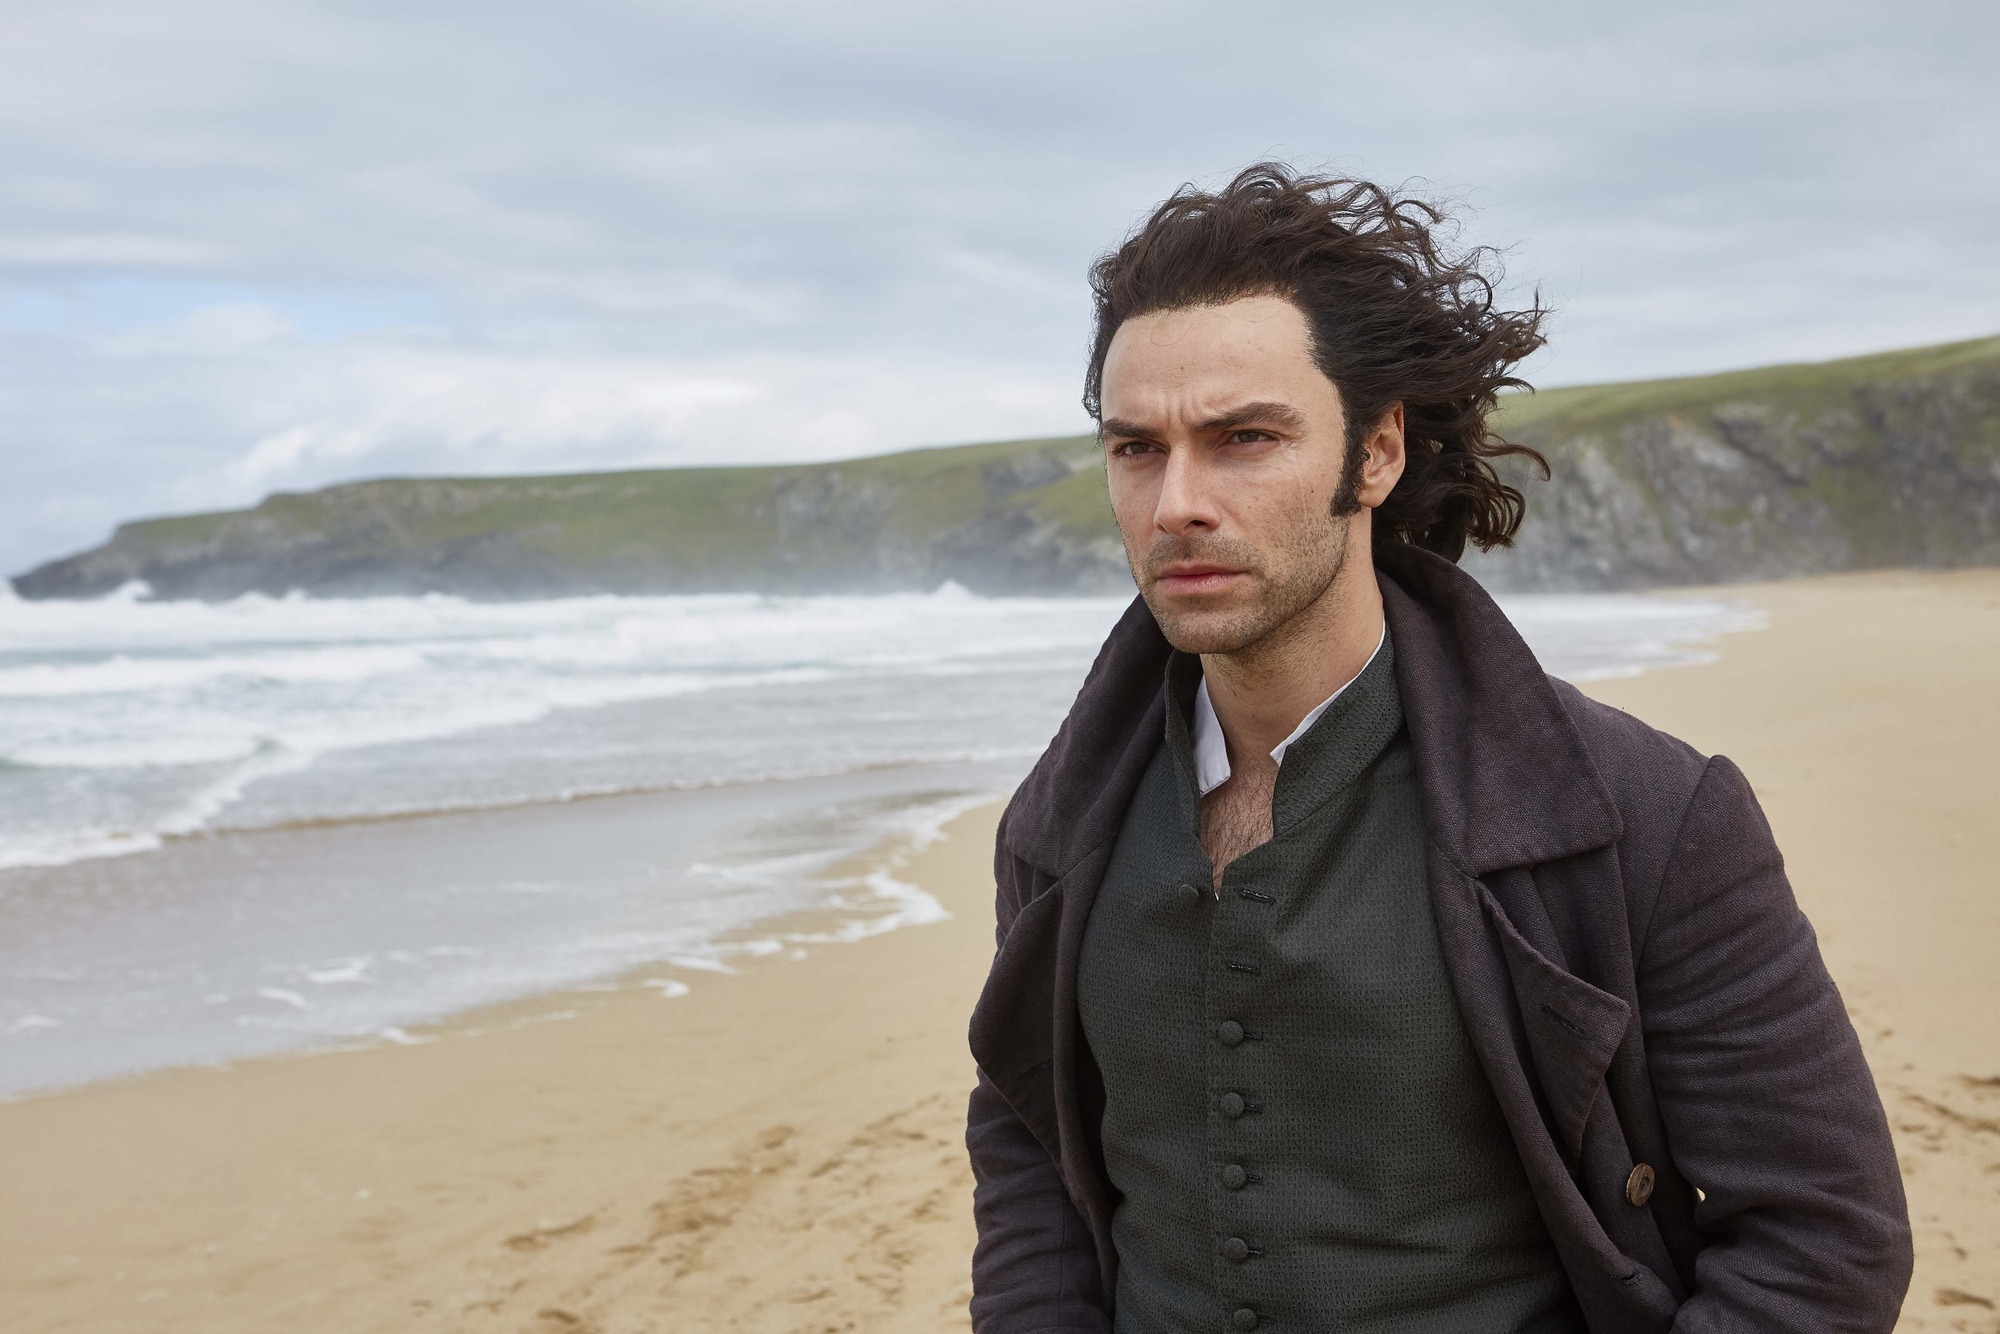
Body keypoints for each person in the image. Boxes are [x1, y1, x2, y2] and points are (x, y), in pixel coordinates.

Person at [964, 164, 1912, 1333]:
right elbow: (1027, 1141)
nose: (1175, 504)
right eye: (1135, 449)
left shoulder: (1648, 815)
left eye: (1242, 438)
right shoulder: (1057, 822)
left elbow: (1823, 1235)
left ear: (1375, 454)